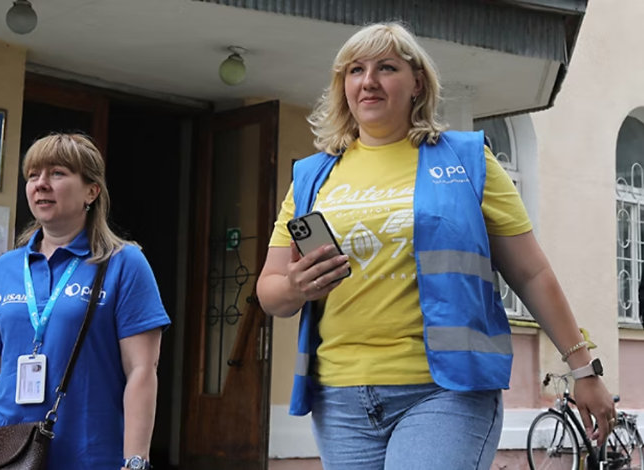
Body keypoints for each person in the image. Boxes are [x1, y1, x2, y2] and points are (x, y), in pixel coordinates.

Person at [256, 22, 615, 469]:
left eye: (386, 68)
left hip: (446, 391)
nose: (368, 81)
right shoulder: (311, 176)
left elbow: (531, 272)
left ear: (417, 82)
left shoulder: (466, 159)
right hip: (342, 396)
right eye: (355, 70)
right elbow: (270, 290)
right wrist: (294, 287)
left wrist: (583, 370)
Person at [0, 133, 170, 469]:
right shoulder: (6, 268)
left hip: (89, 455)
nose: (41, 184)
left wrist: (135, 460)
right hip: (6, 453)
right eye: (33, 175)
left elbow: (142, 369)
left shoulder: (124, 263)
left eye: (57, 173)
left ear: (92, 190)